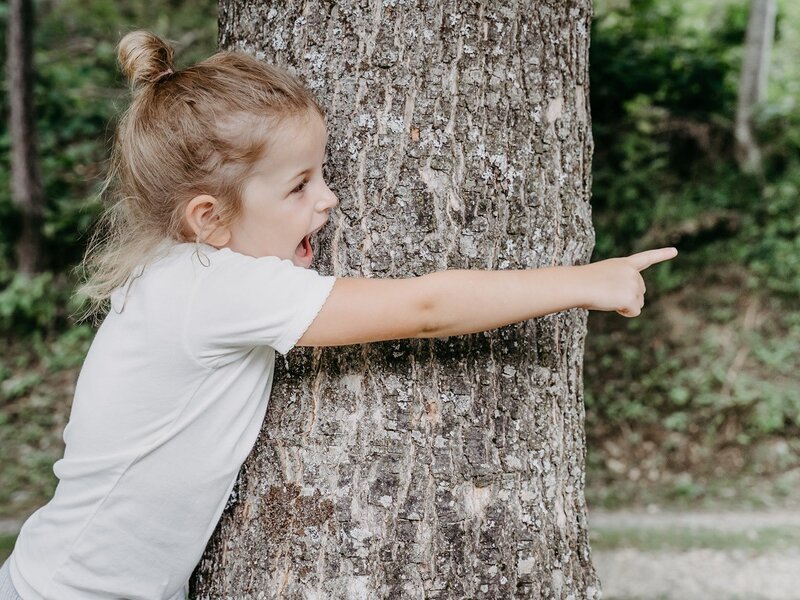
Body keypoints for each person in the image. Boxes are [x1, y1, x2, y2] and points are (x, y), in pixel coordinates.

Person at [0, 29, 677, 600]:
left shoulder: (178, 278)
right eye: (299, 186)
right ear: (208, 219)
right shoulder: (218, 288)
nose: (326, 202)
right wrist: (585, 281)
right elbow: (426, 307)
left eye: (321, 175)